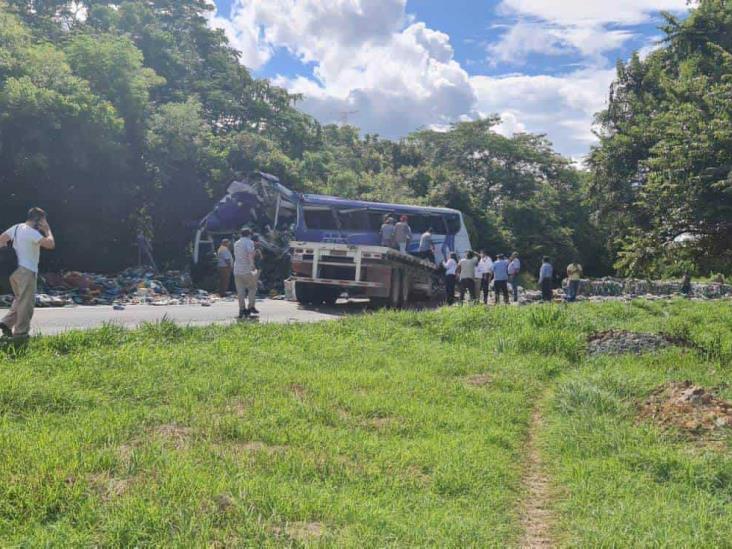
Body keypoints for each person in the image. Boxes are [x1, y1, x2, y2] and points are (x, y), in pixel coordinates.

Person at [0, 208, 55, 339]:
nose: (43, 223)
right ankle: (21, 333)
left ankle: (6, 323)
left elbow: (1, 239)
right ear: (38, 220)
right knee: (27, 303)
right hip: (26, 271)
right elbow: (50, 244)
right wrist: (47, 230)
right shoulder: (32, 233)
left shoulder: (17, 227)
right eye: (43, 220)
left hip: (13, 270)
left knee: (20, 299)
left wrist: (7, 252)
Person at [233, 228, 258, 319]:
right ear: (249, 234)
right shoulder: (249, 242)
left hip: (237, 270)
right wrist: (252, 265)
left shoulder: (236, 243)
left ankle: (241, 310)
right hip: (246, 269)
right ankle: (250, 307)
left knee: (240, 292)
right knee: (252, 288)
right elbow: (250, 254)